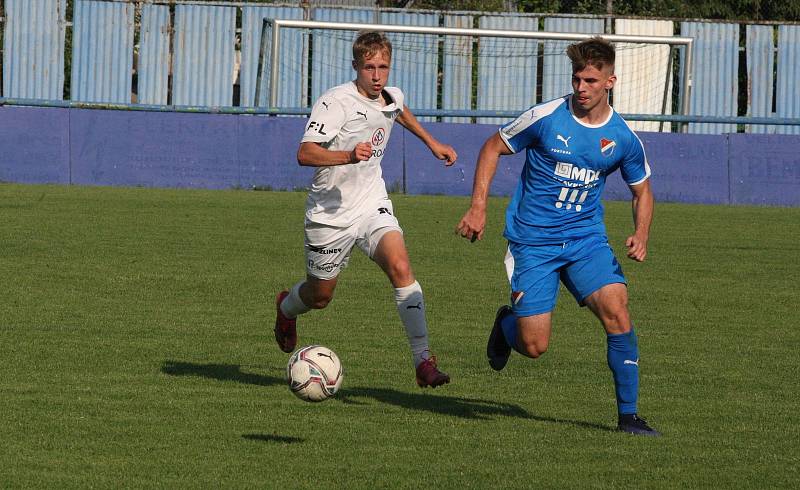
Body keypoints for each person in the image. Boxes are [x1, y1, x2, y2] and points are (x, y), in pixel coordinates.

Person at [456, 37, 659, 436]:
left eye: (590, 80)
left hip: (586, 240)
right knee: (534, 346)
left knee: (618, 311)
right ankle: (506, 324)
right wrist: (479, 206)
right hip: (534, 242)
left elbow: (643, 190)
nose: (581, 88)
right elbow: (493, 146)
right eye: (576, 79)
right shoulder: (546, 117)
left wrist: (641, 233)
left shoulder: (622, 137)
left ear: (610, 82)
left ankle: (629, 417)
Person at [275, 31, 457, 388]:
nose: (377, 75)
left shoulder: (392, 95)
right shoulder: (334, 103)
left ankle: (423, 361)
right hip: (330, 215)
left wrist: (432, 143)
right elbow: (305, 153)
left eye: (383, 67)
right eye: (369, 67)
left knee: (401, 267)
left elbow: (398, 111)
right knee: (320, 296)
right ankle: (286, 307)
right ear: (355, 66)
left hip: (372, 203)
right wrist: (347, 155)